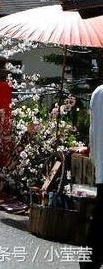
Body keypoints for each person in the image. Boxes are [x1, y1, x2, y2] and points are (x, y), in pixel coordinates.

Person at [85, 84, 103, 268]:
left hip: (102, 162)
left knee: (99, 217)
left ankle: (89, 261)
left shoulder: (98, 92)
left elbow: (92, 131)